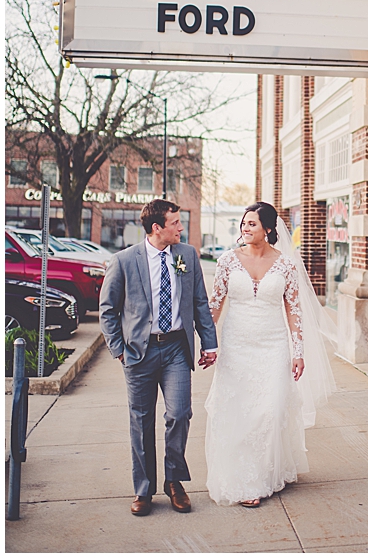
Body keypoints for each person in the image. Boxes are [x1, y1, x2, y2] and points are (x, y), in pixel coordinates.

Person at [204, 202, 336, 507]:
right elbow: (214, 306)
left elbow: (294, 310)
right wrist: (205, 342)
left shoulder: (286, 265)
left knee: (271, 411)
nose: (245, 229)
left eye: (252, 224)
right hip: (236, 346)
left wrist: (298, 351)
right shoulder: (226, 261)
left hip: (273, 346)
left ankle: (266, 471)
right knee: (238, 411)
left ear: (268, 229)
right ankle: (246, 480)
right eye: (243, 223)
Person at [100, 199, 218, 516]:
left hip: (177, 348)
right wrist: (119, 349)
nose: (181, 228)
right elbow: (108, 310)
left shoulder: (187, 256)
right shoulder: (123, 261)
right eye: (176, 223)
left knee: (179, 414)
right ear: (157, 228)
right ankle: (143, 490)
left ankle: (175, 481)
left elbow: (200, 302)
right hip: (140, 352)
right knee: (141, 423)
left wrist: (210, 343)